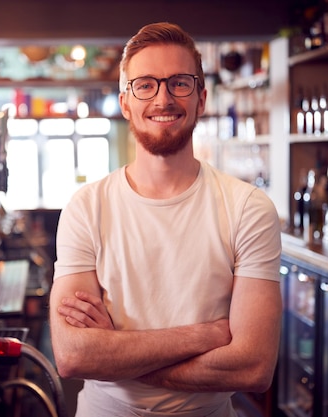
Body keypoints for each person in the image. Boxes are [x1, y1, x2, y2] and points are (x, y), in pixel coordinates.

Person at [49, 22, 282, 417]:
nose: (163, 98)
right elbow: (73, 355)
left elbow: (254, 367)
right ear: (126, 102)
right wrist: (206, 335)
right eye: (145, 85)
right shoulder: (86, 207)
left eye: (179, 83)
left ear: (201, 98)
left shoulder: (249, 209)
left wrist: (117, 355)